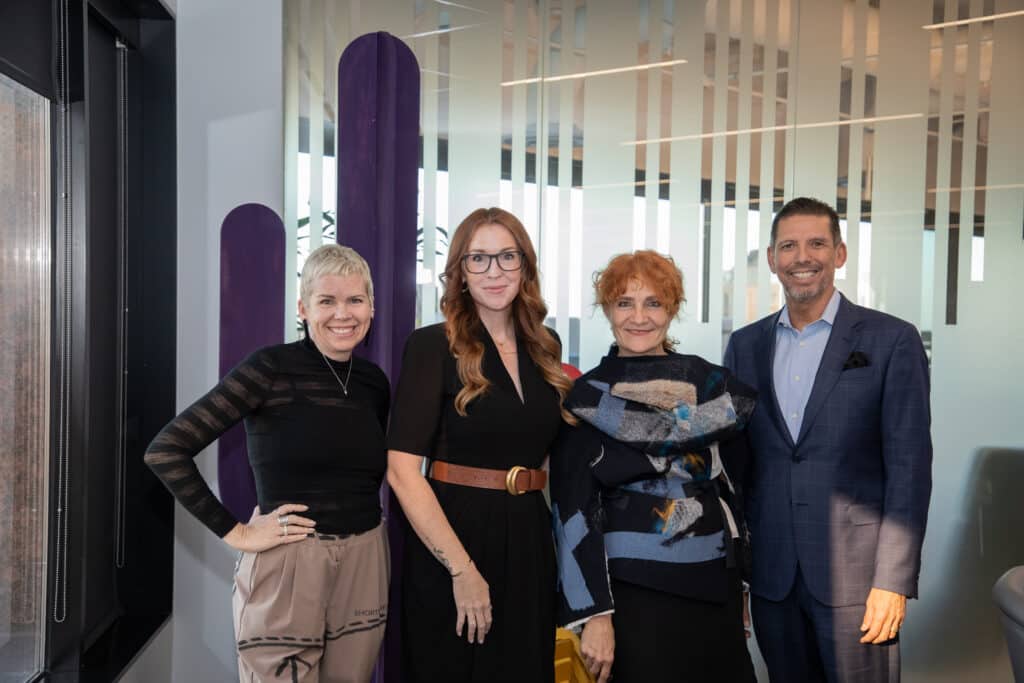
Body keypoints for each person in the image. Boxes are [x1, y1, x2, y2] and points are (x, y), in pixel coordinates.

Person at [144, 244, 391, 683]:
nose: (343, 314)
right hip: (290, 562)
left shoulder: (374, 383)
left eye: (355, 299)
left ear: (371, 306)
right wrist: (238, 533)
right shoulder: (269, 367)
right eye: (326, 301)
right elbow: (167, 450)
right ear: (303, 307)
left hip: (365, 559)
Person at [723, 197, 932, 682]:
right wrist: (740, 577)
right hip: (773, 578)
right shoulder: (746, 346)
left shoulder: (891, 341)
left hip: (860, 583)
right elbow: (738, 467)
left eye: (817, 243)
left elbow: (909, 468)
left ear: (839, 253)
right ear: (773, 258)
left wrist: (892, 581)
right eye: (789, 246)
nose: (803, 257)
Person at [550, 250, 758, 683]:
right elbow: (573, 510)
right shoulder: (584, 398)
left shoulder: (716, 387)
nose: (639, 317)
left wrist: (741, 583)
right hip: (633, 596)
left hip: (713, 584)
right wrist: (595, 615)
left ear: (673, 308)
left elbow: (730, 490)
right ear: (607, 310)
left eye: (654, 303)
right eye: (625, 302)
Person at [386, 207, 571, 683]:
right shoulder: (433, 345)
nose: (495, 272)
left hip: (530, 536)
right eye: (479, 259)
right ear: (461, 272)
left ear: (525, 267)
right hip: (454, 539)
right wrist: (462, 570)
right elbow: (403, 471)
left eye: (507, 257)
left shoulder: (546, 346)